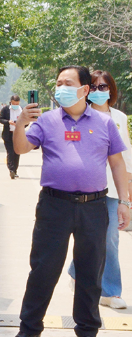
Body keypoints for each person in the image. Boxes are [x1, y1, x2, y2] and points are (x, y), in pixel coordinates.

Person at [13, 65, 131, 337]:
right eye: (58, 83)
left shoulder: (104, 123)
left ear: (85, 89)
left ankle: (88, 330)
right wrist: (21, 123)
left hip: (94, 206)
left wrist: (125, 201)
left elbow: (117, 163)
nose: (61, 88)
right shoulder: (47, 121)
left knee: (90, 273)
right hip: (55, 206)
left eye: (68, 83)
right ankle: (29, 329)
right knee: (43, 270)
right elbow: (21, 148)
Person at [66, 70, 132, 309]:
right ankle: (76, 270)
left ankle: (111, 291)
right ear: (85, 90)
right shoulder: (77, 116)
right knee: (88, 237)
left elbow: (126, 156)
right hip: (85, 187)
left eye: (103, 87)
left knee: (110, 238)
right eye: (93, 87)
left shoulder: (120, 118)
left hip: (113, 188)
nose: (98, 91)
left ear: (111, 90)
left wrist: (128, 193)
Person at [0, 95, 21, 179]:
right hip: (8, 134)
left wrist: (20, 124)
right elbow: (0, 119)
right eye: (14, 103)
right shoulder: (5, 109)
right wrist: (8, 122)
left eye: (17, 103)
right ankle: (11, 170)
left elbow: (26, 122)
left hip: (18, 134)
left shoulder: (21, 110)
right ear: (11, 102)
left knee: (17, 152)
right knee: (10, 152)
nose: (16, 105)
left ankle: (15, 170)